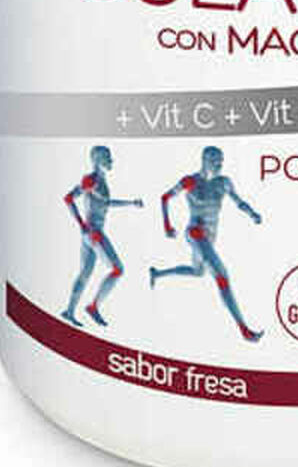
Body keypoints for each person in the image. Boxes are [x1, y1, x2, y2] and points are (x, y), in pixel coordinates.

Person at [150, 146, 264, 342]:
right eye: (214, 160)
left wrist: (252, 213)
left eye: (221, 160)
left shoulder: (224, 183)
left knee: (197, 271)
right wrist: (167, 225)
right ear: (204, 160)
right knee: (222, 275)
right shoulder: (190, 181)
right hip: (195, 232)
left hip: (210, 236)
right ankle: (244, 329)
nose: (219, 164)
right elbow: (165, 197)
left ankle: (157, 273)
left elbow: (238, 201)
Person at [61, 146, 143, 327]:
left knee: (85, 273)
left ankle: (69, 311)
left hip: (91, 233)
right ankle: (93, 307)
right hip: (94, 233)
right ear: (97, 160)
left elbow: (105, 203)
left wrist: (130, 203)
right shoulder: (91, 179)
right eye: (107, 157)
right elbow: (69, 198)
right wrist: (82, 224)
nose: (111, 160)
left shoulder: (100, 181)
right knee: (117, 269)